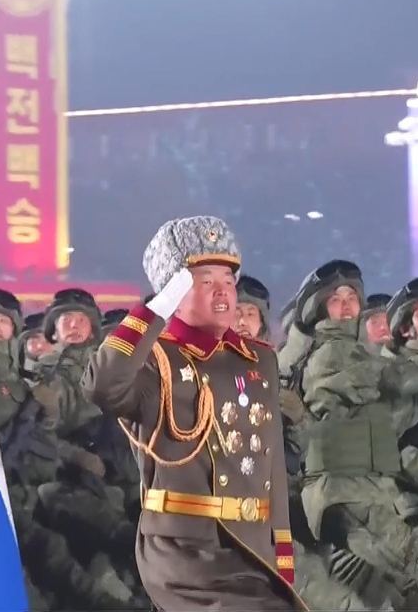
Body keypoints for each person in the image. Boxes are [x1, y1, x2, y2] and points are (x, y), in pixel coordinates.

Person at [83, 216, 305, 611]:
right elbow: (102, 387)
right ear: (174, 290)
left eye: (228, 280)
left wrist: (282, 555)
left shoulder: (259, 360)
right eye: (204, 281)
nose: (223, 292)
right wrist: (154, 311)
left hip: (251, 549)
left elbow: (270, 465)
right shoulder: (154, 358)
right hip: (183, 550)